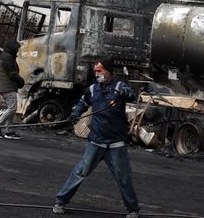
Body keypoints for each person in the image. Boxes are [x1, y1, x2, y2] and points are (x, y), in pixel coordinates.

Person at [52, 58, 139, 218]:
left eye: (99, 71)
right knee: (79, 172)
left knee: (124, 178)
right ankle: (60, 202)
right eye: (95, 71)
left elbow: (132, 96)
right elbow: (82, 103)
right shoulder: (92, 90)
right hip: (96, 141)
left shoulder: (119, 87)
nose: (96, 74)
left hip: (116, 144)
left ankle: (132, 210)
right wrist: (75, 114)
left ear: (108, 71)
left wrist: (125, 93)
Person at [0, 39, 24, 140]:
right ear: (13, 48)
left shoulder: (5, 56)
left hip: (6, 86)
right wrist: (21, 81)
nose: (17, 51)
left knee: (11, 109)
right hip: (8, 87)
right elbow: (12, 74)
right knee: (12, 108)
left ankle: (8, 131)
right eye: (17, 49)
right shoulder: (7, 57)